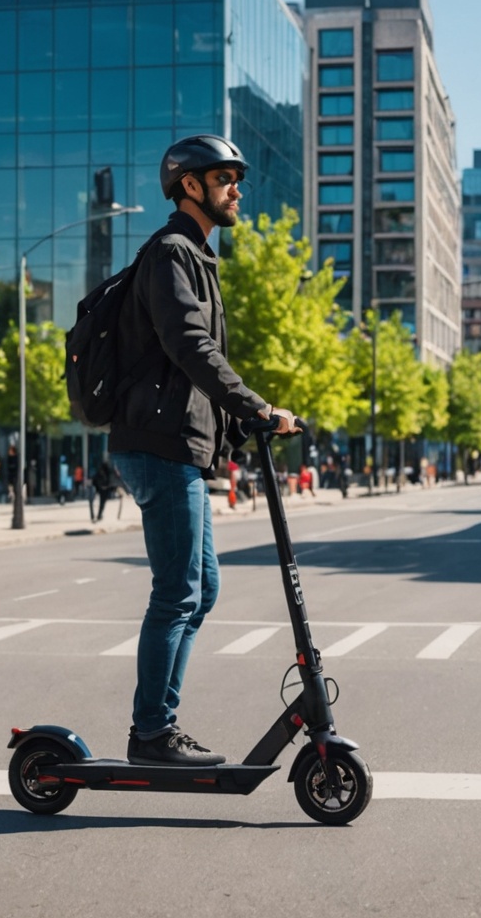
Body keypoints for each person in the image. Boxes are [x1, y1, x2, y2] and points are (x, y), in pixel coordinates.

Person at [107, 135, 300, 768]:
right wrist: (256, 406)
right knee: (178, 592)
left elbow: (188, 365)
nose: (237, 190)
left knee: (201, 590)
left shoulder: (194, 258)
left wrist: (242, 425)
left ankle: (155, 725)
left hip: (179, 446)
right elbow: (191, 348)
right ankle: (152, 734)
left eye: (236, 180)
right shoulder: (169, 253)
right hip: (158, 446)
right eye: (225, 179)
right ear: (189, 185)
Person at [91, 456, 121, 522]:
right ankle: (99, 515)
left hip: (99, 487)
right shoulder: (110, 470)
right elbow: (113, 480)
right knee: (102, 503)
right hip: (105, 488)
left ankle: (96, 515)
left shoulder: (100, 469)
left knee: (94, 502)